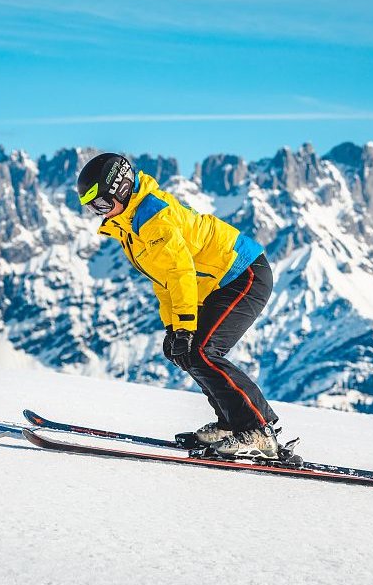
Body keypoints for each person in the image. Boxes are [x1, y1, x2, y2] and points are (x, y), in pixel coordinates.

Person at [76, 153, 281, 459]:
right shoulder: (129, 224)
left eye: (102, 205)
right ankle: (231, 422)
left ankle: (259, 428)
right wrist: (175, 327)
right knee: (186, 352)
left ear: (121, 189)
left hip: (244, 272)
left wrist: (185, 325)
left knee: (201, 351)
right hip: (217, 283)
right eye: (92, 208)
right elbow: (162, 278)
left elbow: (180, 271)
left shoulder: (153, 218)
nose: (98, 213)